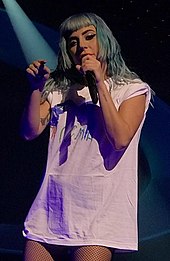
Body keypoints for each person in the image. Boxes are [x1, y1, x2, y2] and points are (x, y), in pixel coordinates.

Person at [21, 12, 151, 261]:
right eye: (73, 41)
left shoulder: (132, 89)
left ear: (104, 40)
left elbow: (120, 138)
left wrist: (100, 83)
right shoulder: (60, 90)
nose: (81, 45)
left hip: (99, 211)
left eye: (89, 37)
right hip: (52, 206)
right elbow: (29, 132)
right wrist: (36, 90)